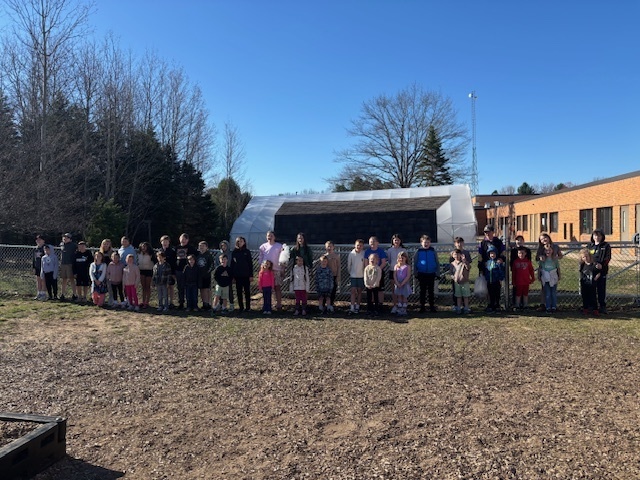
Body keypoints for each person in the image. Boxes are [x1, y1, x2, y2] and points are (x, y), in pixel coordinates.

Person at [536, 233, 563, 310]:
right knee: (544, 289)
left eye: (544, 238)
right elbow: (537, 258)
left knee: (553, 289)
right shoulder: (541, 248)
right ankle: (543, 304)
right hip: (544, 270)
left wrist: (556, 257)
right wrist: (540, 257)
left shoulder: (555, 247)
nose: (543, 240)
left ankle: (553, 305)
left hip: (553, 270)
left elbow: (561, 256)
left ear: (548, 238)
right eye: (541, 239)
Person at [587, 229, 612, 314]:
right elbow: (586, 256)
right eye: (595, 235)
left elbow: (608, 258)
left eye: (598, 236)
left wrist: (602, 265)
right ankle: (592, 306)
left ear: (602, 237)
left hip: (602, 271)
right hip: (591, 271)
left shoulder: (606, 246)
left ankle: (602, 306)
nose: (596, 237)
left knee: (601, 289)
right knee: (591, 289)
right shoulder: (590, 246)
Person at [258, 231, 284, 311]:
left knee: (277, 288)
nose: (269, 237)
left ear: (274, 237)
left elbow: (283, 259)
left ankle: (279, 304)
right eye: (268, 236)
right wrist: (262, 269)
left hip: (276, 270)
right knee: (267, 289)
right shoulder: (263, 246)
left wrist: (283, 269)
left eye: (271, 236)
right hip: (266, 272)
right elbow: (260, 258)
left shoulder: (279, 246)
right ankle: (267, 305)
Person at [414, 234, 439, 313]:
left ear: (430, 243)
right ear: (421, 243)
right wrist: (415, 273)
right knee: (422, 291)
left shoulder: (433, 251)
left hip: (431, 273)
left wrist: (437, 273)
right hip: (422, 273)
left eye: (427, 242)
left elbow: (437, 262)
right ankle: (422, 306)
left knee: (431, 291)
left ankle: (432, 306)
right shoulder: (418, 251)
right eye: (424, 242)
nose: (426, 244)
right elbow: (415, 262)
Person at [448, 237, 472, 310]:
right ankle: (456, 305)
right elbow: (451, 265)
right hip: (455, 276)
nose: (459, 244)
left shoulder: (466, 253)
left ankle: (466, 306)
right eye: (457, 242)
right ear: (455, 244)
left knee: (465, 292)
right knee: (456, 291)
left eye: (461, 242)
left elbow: (469, 264)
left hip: (464, 275)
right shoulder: (453, 253)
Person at [231, 236, 254, 312]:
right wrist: (233, 276)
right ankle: (241, 307)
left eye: (241, 241)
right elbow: (232, 265)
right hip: (237, 276)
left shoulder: (247, 252)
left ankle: (248, 307)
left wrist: (251, 275)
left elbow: (250, 264)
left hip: (246, 275)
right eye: (238, 241)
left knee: (247, 292)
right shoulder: (234, 252)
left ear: (244, 242)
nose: (239, 243)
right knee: (239, 292)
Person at [175, 233, 197, 309]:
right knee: (180, 287)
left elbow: (194, 258)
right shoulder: (177, 247)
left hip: (188, 271)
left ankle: (190, 304)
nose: (183, 241)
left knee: (188, 288)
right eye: (181, 239)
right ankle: (181, 303)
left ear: (187, 240)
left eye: (184, 239)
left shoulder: (191, 248)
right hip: (178, 270)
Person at [364, 236, 388, 306]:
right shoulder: (367, 252)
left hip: (379, 272)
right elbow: (366, 262)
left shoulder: (381, 251)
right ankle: (371, 304)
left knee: (379, 289)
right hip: (369, 273)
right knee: (370, 289)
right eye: (371, 242)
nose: (372, 243)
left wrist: (377, 270)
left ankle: (379, 304)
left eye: (374, 241)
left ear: (377, 243)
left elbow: (383, 262)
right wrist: (368, 269)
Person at [386, 234, 407, 313]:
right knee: (394, 290)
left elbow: (406, 260)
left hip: (402, 272)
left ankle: (403, 306)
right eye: (395, 240)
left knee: (403, 289)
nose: (396, 241)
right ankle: (395, 305)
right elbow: (389, 260)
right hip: (393, 271)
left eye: (398, 240)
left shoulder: (403, 250)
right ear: (392, 241)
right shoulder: (390, 250)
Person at [509, 235, 531, 307]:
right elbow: (512, 261)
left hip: (524, 272)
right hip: (517, 271)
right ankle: (515, 303)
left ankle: (524, 303)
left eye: (521, 240)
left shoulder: (527, 250)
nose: (519, 241)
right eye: (518, 240)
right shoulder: (514, 250)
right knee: (516, 288)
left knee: (525, 290)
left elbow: (529, 262)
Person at [539, 245, 560, 313]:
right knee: (547, 293)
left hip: (553, 276)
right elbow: (540, 268)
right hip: (545, 277)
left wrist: (559, 275)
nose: (548, 252)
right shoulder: (542, 260)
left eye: (550, 250)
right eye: (546, 250)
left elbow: (558, 268)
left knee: (553, 292)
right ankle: (548, 307)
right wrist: (539, 276)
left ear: (552, 250)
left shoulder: (555, 259)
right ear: (544, 251)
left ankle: (554, 306)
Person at [484, 245, 505, 313]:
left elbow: (501, 271)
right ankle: (491, 305)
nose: (492, 255)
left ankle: (497, 305)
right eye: (491, 253)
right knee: (490, 294)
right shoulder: (488, 263)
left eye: (493, 253)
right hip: (489, 281)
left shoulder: (498, 263)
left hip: (496, 281)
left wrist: (501, 278)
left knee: (497, 294)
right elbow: (486, 271)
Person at [579, 248, 600, 315]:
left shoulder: (594, 265)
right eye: (583, 257)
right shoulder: (582, 265)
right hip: (584, 284)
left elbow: (598, 273)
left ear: (589, 256)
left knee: (593, 297)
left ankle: (595, 310)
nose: (585, 258)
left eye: (586, 256)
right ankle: (585, 309)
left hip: (592, 284)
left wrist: (596, 278)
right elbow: (581, 273)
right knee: (585, 296)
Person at [347, 239, 366, 314]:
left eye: (361, 245)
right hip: (353, 276)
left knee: (359, 291)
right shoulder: (351, 254)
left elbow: (364, 264)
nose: (359, 247)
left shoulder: (363, 253)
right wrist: (351, 273)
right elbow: (349, 265)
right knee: (353, 291)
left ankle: (357, 306)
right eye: (358, 245)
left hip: (361, 276)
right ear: (355, 245)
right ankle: (352, 307)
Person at [450, 249, 471, 314]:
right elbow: (451, 272)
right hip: (457, 282)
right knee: (458, 295)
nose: (456, 256)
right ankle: (458, 307)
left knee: (465, 295)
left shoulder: (463, 262)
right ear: (452, 255)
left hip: (464, 281)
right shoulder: (452, 264)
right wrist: (453, 278)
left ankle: (466, 308)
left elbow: (468, 268)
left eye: (458, 254)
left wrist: (465, 261)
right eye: (455, 254)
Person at [159, 235, 177, 308]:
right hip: (161, 272)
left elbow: (174, 262)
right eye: (163, 241)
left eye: (166, 241)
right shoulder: (159, 251)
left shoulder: (172, 251)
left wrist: (173, 273)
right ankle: (163, 302)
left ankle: (171, 302)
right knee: (162, 287)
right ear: (161, 242)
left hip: (170, 272)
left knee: (171, 287)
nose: (165, 243)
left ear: (169, 242)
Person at [217, 240, 235, 311]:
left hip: (228, 274)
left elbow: (232, 264)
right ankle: (220, 304)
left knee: (229, 290)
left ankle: (231, 304)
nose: (223, 247)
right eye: (222, 246)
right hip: (221, 275)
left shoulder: (230, 254)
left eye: (224, 246)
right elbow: (216, 264)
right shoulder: (218, 254)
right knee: (220, 291)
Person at [59, 233, 77, 301]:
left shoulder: (73, 245)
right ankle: (62, 294)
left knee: (72, 279)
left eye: (67, 237)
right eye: (64, 237)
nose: (65, 238)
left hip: (70, 264)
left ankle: (74, 294)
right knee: (64, 279)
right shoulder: (61, 244)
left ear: (70, 239)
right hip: (63, 264)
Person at [393, 251, 412, 318]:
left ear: (406, 258)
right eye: (400, 258)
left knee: (404, 296)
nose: (401, 259)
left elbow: (408, 275)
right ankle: (399, 308)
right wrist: (397, 283)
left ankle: (404, 309)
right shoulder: (396, 266)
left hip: (404, 283)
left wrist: (403, 283)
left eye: (402, 258)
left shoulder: (407, 266)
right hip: (398, 283)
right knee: (399, 296)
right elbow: (394, 275)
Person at [197, 241, 215, 310]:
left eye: (203, 246)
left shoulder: (208, 255)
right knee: (201, 289)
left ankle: (208, 303)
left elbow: (212, 265)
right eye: (200, 246)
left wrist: (207, 272)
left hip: (206, 275)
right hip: (199, 275)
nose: (201, 247)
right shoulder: (198, 255)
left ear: (206, 247)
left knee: (207, 289)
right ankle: (204, 303)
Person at [324, 241, 341, 310]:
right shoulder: (324, 256)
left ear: (333, 247)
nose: (329, 248)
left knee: (333, 291)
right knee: (326, 291)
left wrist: (338, 276)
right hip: (326, 277)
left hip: (334, 276)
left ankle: (331, 304)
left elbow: (339, 267)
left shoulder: (336, 256)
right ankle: (324, 304)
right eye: (328, 246)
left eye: (330, 246)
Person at [32, 235, 49, 301]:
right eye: (37, 240)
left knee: (43, 280)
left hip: (44, 267)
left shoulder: (45, 248)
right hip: (37, 266)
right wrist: (34, 267)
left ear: (43, 240)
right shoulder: (36, 249)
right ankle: (39, 293)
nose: (38, 241)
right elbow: (34, 259)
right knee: (38, 280)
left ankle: (43, 293)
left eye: (40, 239)